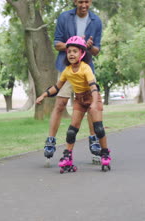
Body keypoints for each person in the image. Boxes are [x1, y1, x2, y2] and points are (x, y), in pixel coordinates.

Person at [36, 36, 111, 172]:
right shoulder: (67, 71)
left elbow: (93, 87)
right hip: (79, 100)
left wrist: (94, 103)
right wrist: (44, 95)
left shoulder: (85, 68)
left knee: (98, 128)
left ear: (81, 53)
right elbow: (57, 87)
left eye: (75, 51)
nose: (71, 54)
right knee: (71, 131)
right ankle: (67, 157)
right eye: (69, 51)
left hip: (92, 97)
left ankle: (105, 154)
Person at [44, 0, 103, 163]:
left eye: (87, 1)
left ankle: (94, 139)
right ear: (75, 2)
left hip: (86, 68)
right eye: (80, 1)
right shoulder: (64, 17)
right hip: (67, 68)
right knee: (60, 104)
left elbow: (97, 50)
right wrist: (75, 45)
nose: (83, 5)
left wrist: (88, 47)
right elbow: (57, 44)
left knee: (92, 105)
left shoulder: (96, 21)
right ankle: (50, 141)